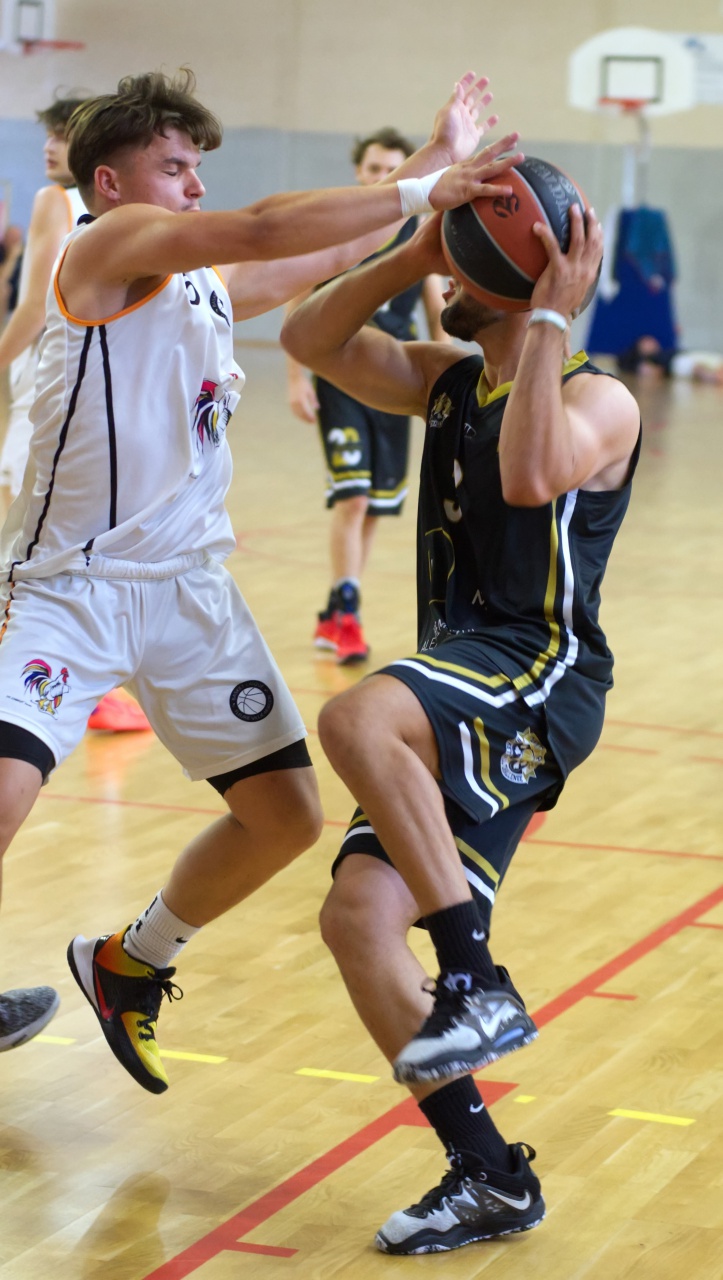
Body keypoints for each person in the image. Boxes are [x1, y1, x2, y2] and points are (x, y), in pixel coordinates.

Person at [0, 67, 519, 1092]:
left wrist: (431, 172)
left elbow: (309, 254)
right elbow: (264, 227)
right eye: (175, 166)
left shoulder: (199, 281)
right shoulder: (103, 245)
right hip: (71, 587)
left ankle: (129, 962)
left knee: (284, 815)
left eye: (198, 167)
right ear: (111, 181)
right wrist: (426, 187)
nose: (195, 184)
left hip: (187, 590)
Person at [281, 198, 641, 1251]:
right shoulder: (447, 381)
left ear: (520, 280)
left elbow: (529, 477)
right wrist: (420, 245)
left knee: (356, 717)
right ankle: (489, 1174)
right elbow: (308, 338)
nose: (451, 273)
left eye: (474, 257)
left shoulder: (600, 397)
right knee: (356, 918)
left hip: (537, 672)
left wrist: (547, 315)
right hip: (460, 680)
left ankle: (473, 977)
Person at [0, 92, 150, 734]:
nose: (49, 145)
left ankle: (58, 669)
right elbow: (32, 304)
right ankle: (52, 670)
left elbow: (34, 305)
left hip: (57, 371)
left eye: (62, 134)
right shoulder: (70, 205)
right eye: (50, 134)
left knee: (41, 517)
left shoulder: (62, 204)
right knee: (46, 519)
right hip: (64, 372)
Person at [285, 128, 450, 664]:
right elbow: (299, 301)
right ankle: (349, 612)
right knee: (352, 497)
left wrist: (447, 387)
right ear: (359, 172)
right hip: (338, 376)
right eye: (375, 168)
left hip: (393, 378)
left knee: (375, 504)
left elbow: (436, 314)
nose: (383, 176)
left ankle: (336, 608)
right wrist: (295, 378)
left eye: (392, 167)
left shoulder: (417, 232)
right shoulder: (338, 228)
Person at [616, 334, 723, 384]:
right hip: (677, 361)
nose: (652, 342)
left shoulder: (663, 353)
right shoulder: (655, 360)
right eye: (646, 342)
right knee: (696, 368)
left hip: (687, 355)